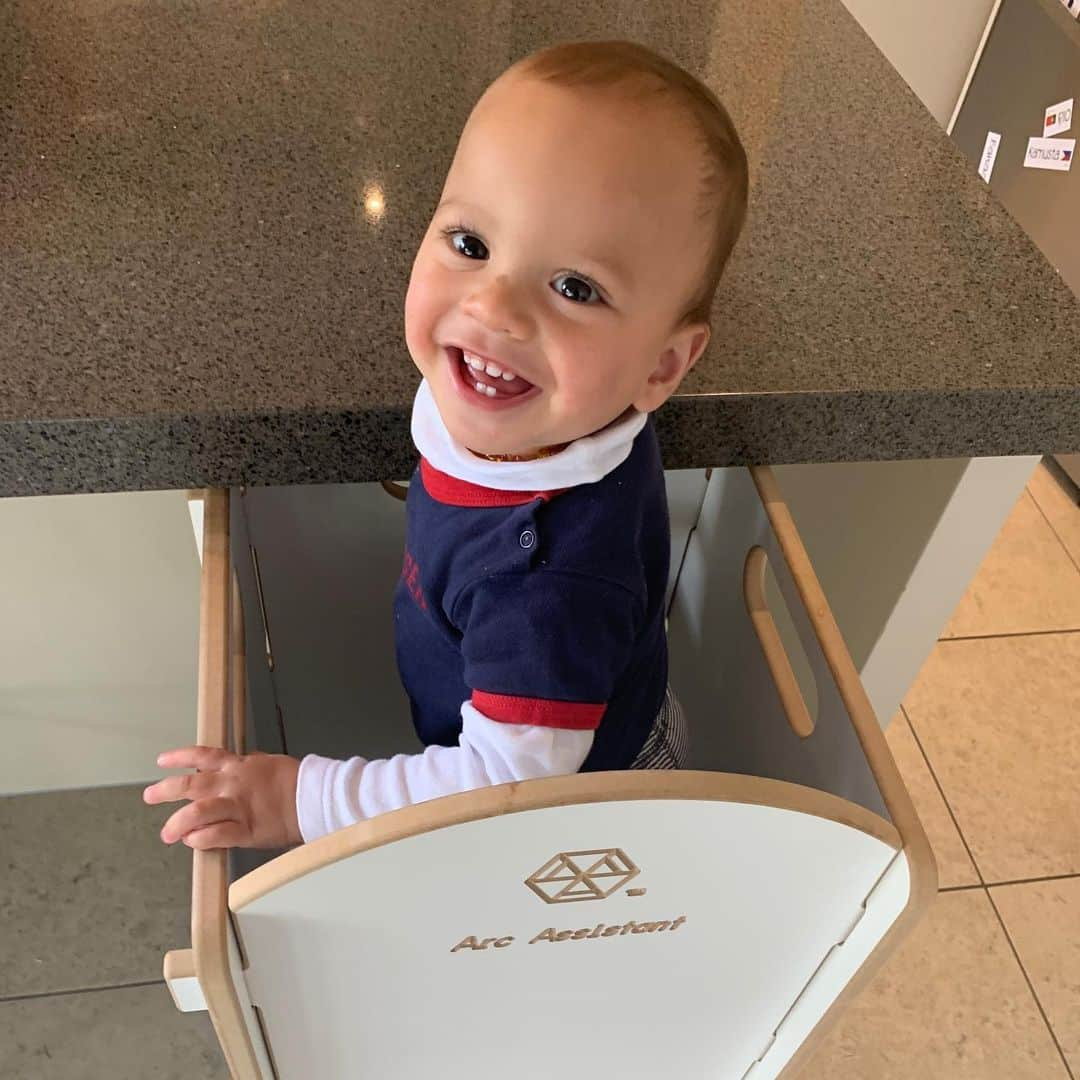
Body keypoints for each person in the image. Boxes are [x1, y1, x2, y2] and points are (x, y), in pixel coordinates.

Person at [144, 39, 748, 850]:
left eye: (575, 288)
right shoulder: (565, 416)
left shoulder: (549, 583)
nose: (494, 307)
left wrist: (300, 800)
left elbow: (503, 784)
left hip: (573, 805)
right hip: (560, 718)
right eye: (471, 245)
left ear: (662, 366)